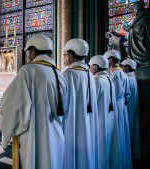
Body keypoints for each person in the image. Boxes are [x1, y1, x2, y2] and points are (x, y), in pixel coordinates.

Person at [0, 34, 68, 169]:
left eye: (27, 52)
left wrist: (5, 125)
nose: (26, 56)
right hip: (56, 134)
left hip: (33, 135)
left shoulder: (27, 71)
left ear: (33, 51)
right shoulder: (58, 73)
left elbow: (13, 106)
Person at [62, 39, 99, 169]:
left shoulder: (68, 73)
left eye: (65, 54)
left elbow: (62, 104)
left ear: (71, 56)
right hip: (87, 122)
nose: (64, 58)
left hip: (71, 123)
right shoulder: (89, 74)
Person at [88, 55, 122, 169]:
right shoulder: (108, 80)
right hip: (108, 119)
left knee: (99, 149)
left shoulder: (96, 81)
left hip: (99, 120)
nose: (89, 69)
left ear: (95, 68)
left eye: (90, 66)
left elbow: (90, 103)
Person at [104, 50, 132, 168]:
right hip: (121, 106)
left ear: (110, 60)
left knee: (116, 135)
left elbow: (112, 93)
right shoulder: (123, 73)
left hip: (115, 105)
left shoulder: (115, 74)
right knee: (121, 134)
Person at [124, 1, 150, 65]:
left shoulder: (144, 15)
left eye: (134, 8)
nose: (134, 11)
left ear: (137, 8)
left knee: (133, 30)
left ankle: (142, 57)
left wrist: (128, 28)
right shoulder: (149, 13)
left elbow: (138, 27)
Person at [121, 58, 141, 161]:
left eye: (123, 67)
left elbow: (124, 95)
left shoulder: (128, 79)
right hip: (131, 108)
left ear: (127, 68)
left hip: (128, 109)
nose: (122, 68)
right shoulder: (132, 78)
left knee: (128, 132)